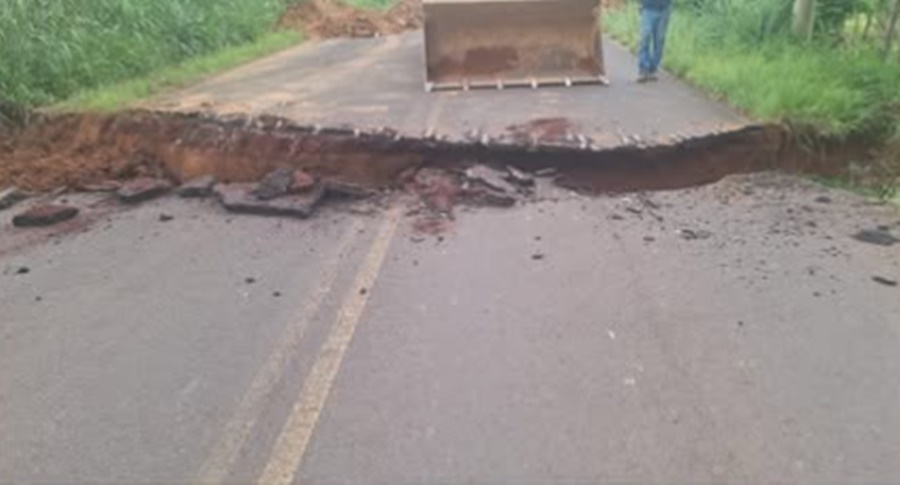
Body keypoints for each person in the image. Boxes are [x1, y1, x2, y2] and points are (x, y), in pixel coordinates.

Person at [638, 0, 672, 82]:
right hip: (648, 7)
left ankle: (653, 68)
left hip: (663, 9)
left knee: (659, 40)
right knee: (645, 36)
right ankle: (643, 68)